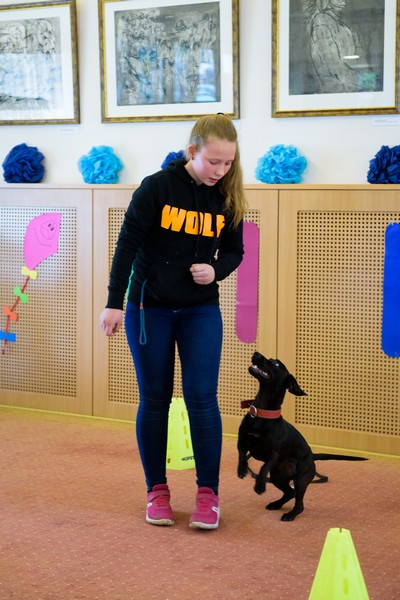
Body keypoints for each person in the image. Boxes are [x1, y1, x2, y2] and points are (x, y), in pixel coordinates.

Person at [99, 113, 246, 530]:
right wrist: (114, 303)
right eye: (213, 161)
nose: (221, 170)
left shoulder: (228, 196)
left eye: (228, 162)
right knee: (155, 399)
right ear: (192, 151)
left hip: (201, 310)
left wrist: (216, 270)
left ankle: (208, 494)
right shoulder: (157, 187)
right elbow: (127, 246)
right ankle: (157, 491)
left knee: (202, 399)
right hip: (150, 308)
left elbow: (234, 251)